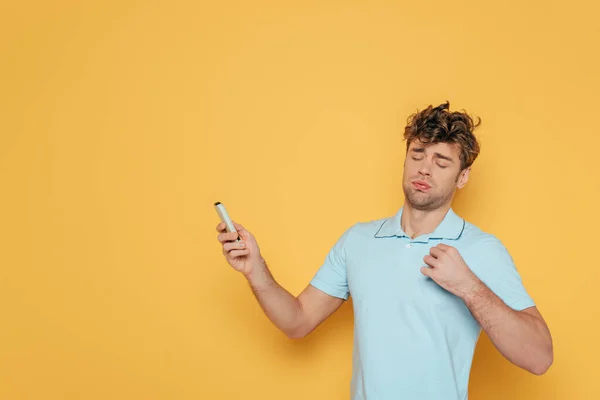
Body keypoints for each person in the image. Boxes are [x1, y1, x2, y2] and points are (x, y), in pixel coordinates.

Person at [215, 102, 553, 400]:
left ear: (463, 177)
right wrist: (255, 269)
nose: (424, 168)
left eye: (441, 162)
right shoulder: (358, 241)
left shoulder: (480, 249)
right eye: (417, 155)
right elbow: (297, 322)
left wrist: (469, 286)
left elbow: (539, 358)